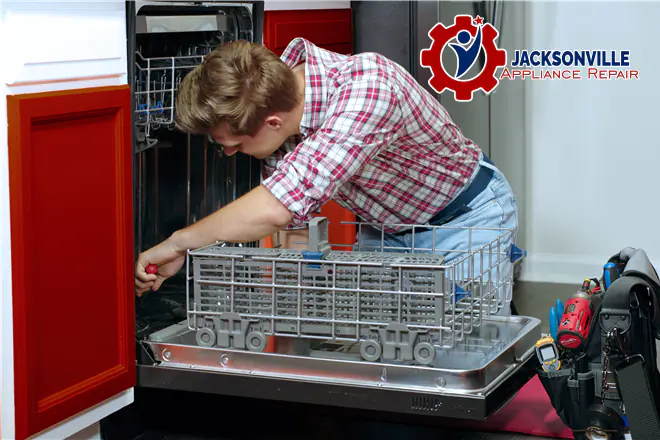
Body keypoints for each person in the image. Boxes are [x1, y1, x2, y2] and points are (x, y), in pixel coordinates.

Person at [134, 37, 518, 315]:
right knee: (388, 348)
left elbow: (277, 208)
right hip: (386, 227)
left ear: (272, 122)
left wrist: (180, 242)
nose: (230, 154)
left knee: (468, 339)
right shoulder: (276, 97)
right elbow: (293, 220)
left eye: (233, 145)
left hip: (464, 219)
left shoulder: (369, 89)